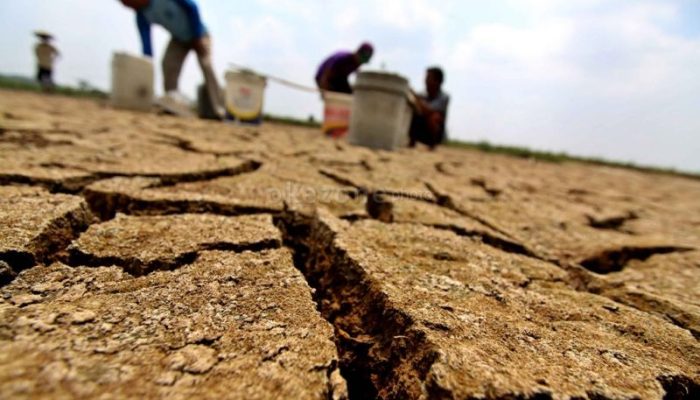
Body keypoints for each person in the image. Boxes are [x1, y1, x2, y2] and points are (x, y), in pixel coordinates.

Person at [119, 0, 224, 118]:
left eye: (126, 2)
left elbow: (192, 7)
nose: (126, 6)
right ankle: (172, 105)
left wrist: (197, 37)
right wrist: (144, 69)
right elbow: (147, 49)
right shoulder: (141, 16)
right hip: (179, 40)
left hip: (199, 33)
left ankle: (219, 109)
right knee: (167, 65)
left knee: (206, 65)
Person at [408, 67, 449, 149]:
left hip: (434, 135)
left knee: (435, 116)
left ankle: (432, 144)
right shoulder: (422, 95)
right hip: (420, 131)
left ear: (438, 82)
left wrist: (416, 98)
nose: (425, 81)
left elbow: (429, 110)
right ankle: (412, 142)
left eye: (428, 78)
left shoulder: (444, 97)